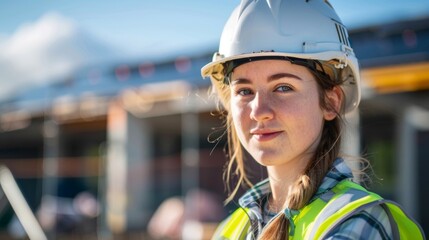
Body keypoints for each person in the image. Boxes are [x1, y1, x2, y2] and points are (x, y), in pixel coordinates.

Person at [200, 0, 425, 239]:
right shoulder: (230, 230)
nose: (258, 111)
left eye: (283, 87)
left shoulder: (356, 222)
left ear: (330, 102)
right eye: (244, 91)